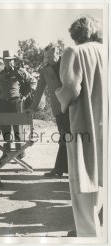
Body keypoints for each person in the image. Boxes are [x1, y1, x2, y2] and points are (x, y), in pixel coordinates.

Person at [55, 15, 103, 237]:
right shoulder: (106, 51)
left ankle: (88, 237)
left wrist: (58, 95)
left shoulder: (74, 52)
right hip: (105, 127)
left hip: (84, 127)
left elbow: (70, 90)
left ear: (76, 34)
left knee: (83, 189)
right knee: (103, 183)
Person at [29, 41, 70, 177]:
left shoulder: (68, 63)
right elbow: (40, 88)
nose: (48, 59)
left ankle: (61, 169)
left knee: (69, 137)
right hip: (58, 108)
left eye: (51, 56)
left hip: (72, 106)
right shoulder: (45, 69)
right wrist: (33, 108)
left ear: (58, 53)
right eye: (46, 57)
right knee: (65, 137)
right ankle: (61, 169)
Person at [0, 50, 36, 159]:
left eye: (10, 60)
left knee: (18, 129)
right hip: (3, 104)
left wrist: (25, 96)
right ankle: (6, 152)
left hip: (16, 103)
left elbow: (33, 82)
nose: (9, 62)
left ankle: (20, 152)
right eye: (6, 60)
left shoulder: (20, 72)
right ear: (3, 61)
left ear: (13, 60)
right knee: (6, 129)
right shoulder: (0, 75)